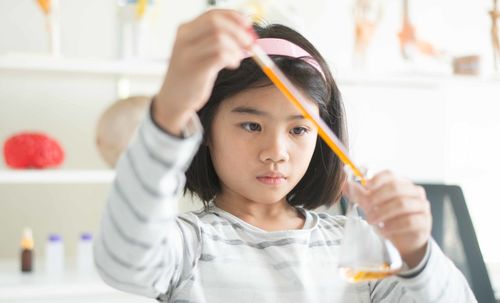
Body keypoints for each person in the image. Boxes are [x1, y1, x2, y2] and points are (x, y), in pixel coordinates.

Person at [93, 9, 476, 302]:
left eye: (298, 130)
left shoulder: (358, 247)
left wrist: (417, 252)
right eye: (251, 126)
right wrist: (170, 113)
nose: (276, 152)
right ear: (207, 131)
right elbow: (122, 261)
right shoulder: (189, 245)